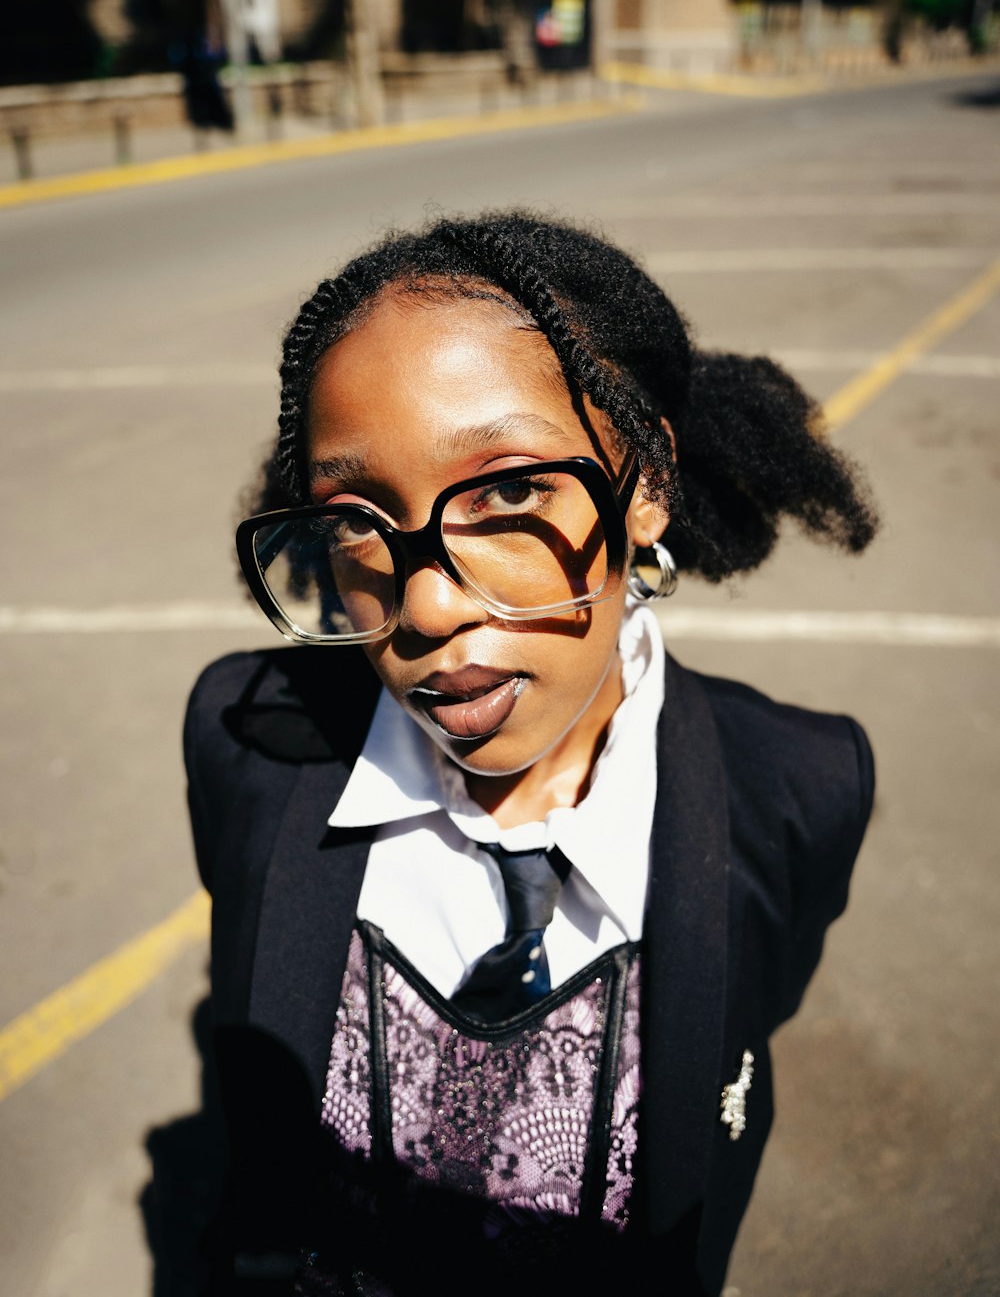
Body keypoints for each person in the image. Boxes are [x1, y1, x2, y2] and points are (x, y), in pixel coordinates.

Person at [184, 211, 878, 1297]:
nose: (424, 604)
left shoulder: (798, 789)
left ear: (643, 482)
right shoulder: (249, 747)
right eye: (359, 518)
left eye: (506, 492)